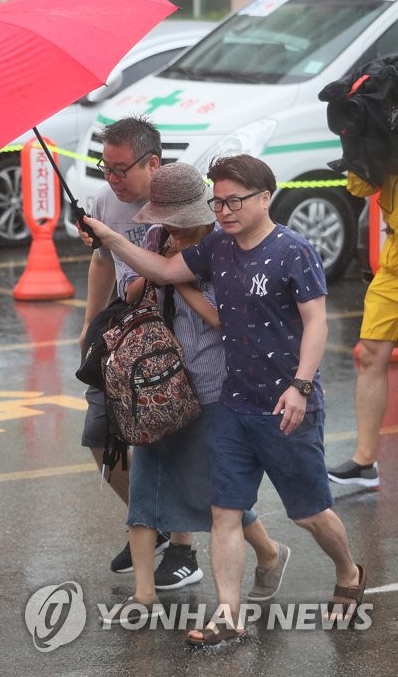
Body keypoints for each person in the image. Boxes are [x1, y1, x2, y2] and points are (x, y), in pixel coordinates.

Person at [83, 154, 365, 645]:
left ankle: (348, 571)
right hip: (233, 403)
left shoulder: (293, 251)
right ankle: (228, 617)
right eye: (218, 201)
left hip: (285, 402)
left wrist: (299, 386)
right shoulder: (217, 246)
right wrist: (111, 239)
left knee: (309, 514)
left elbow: (317, 322)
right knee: (224, 514)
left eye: (234, 200)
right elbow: (165, 270)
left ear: (264, 198)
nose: (225, 210)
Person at [101, 163, 286, 626]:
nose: (173, 230)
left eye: (180, 221)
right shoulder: (155, 240)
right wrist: (151, 273)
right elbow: (127, 288)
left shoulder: (225, 247)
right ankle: (144, 594)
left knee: (214, 491)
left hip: (210, 384)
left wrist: (176, 277)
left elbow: (226, 318)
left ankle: (268, 551)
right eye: (167, 221)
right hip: (156, 383)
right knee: (144, 485)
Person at [78, 115, 191, 583]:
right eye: (106, 167)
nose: (112, 179)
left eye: (121, 169)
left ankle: (184, 552)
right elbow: (101, 261)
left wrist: (148, 272)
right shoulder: (109, 200)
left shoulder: (182, 199)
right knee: (101, 436)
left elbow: (192, 266)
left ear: (153, 164)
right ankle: (155, 524)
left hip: (172, 340)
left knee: (171, 445)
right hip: (123, 334)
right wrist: (89, 321)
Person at [326, 173, 398, 489]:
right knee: (370, 354)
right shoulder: (387, 129)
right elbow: (362, 187)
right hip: (394, 261)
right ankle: (365, 461)